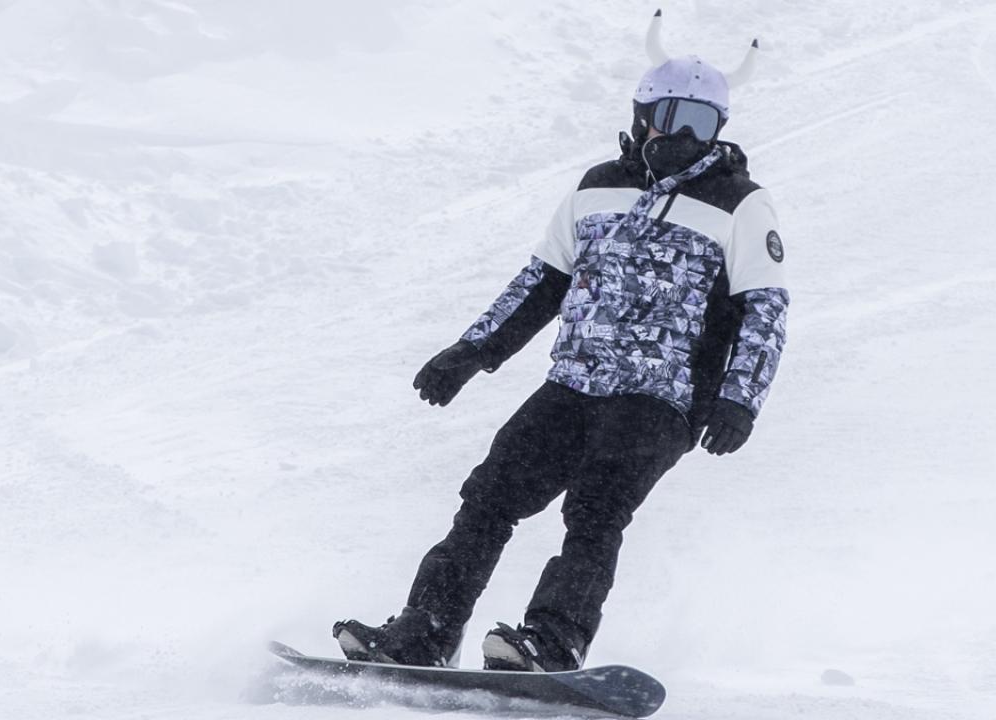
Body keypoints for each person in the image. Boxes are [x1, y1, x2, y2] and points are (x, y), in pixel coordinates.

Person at [333, 11, 789, 673]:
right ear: (642, 116)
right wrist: (472, 351)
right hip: (572, 386)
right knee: (489, 496)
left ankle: (554, 640)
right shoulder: (597, 186)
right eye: (674, 117)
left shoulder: (740, 202)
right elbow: (543, 281)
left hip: (662, 399)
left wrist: (739, 399)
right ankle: (426, 630)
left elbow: (764, 308)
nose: (687, 137)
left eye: (703, 123)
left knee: (596, 509)